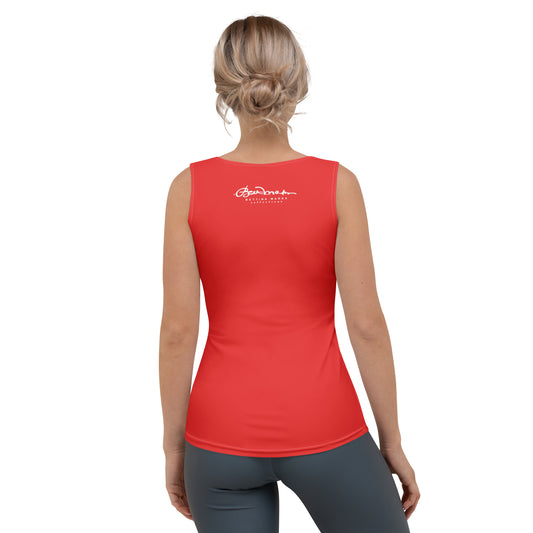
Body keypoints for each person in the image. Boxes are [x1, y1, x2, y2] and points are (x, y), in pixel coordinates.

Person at [159, 14, 420, 533]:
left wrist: (175, 446)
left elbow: (177, 332)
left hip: (218, 435)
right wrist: (391, 443)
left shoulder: (188, 188)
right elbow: (367, 326)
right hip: (324, 425)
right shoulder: (337, 184)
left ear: (224, 88)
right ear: (297, 83)